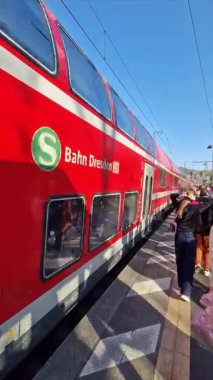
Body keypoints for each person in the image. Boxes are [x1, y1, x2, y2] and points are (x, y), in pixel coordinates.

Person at [170, 189, 213, 302]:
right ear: (191, 198)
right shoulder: (195, 208)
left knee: (180, 262)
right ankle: (186, 292)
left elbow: (172, 195)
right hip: (190, 238)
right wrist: (196, 198)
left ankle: (182, 286)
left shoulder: (179, 205)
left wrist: (183, 196)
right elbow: (210, 200)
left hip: (178, 237)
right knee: (188, 265)